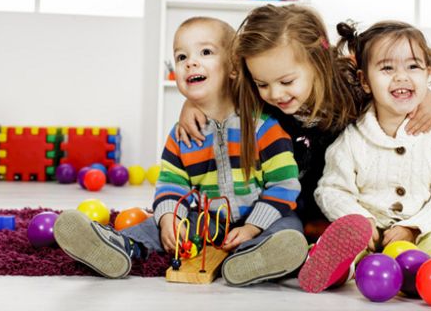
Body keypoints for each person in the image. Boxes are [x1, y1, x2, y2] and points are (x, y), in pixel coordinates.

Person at [53, 17, 309, 287]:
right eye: (181, 56)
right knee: (154, 224)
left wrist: (252, 226)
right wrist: (168, 220)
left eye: (206, 52)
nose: (191, 62)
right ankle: (117, 246)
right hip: (207, 222)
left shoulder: (264, 126)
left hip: (262, 217)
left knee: (289, 227)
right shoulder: (181, 135)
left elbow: (284, 184)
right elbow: (170, 185)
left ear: (234, 66)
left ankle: (253, 258)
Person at [176, 5, 431, 241]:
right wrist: (192, 104)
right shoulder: (256, 96)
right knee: (291, 227)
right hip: (287, 205)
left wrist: (426, 96)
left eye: (287, 82)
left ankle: (341, 236)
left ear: (317, 63)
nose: (276, 94)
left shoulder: (349, 85)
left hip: (346, 196)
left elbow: (393, 80)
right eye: (263, 84)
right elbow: (219, 92)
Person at [298, 20, 431, 302]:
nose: (401, 77)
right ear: (364, 81)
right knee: (353, 249)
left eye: (413, 67)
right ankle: (327, 266)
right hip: (369, 235)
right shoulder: (354, 136)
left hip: (423, 230)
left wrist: (414, 226)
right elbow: (332, 189)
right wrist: (362, 220)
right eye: (387, 68)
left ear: (428, 72)